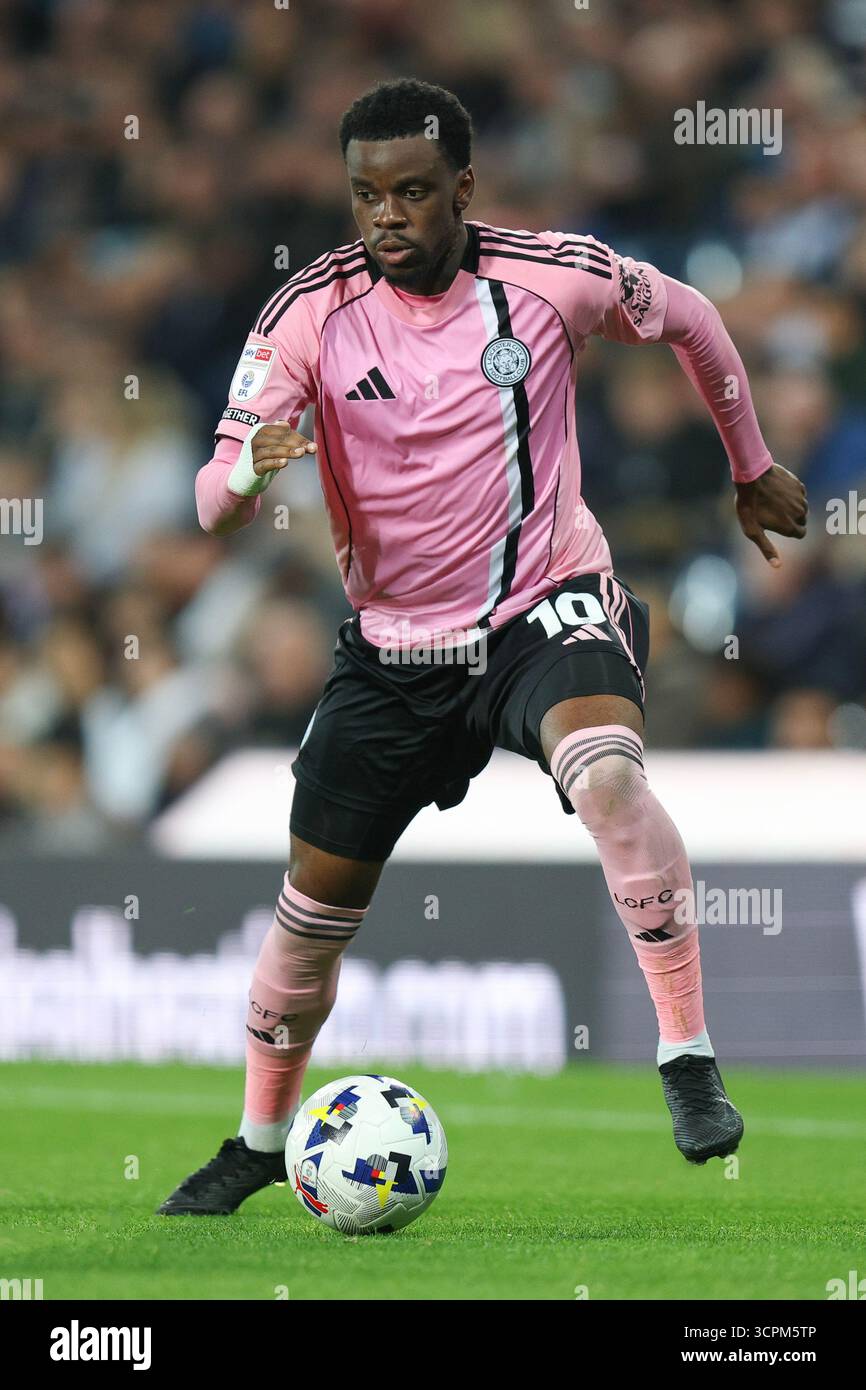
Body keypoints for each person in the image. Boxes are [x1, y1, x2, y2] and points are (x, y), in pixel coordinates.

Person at [157, 79, 807, 1215]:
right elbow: (211, 499)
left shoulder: (553, 276)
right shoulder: (307, 314)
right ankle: (261, 1140)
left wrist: (747, 464)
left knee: (606, 777)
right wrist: (253, 467)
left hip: (537, 606)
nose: (387, 217)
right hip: (391, 653)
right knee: (307, 923)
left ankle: (685, 1055)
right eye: (366, 196)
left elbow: (693, 318)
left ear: (462, 187)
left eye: (411, 192)